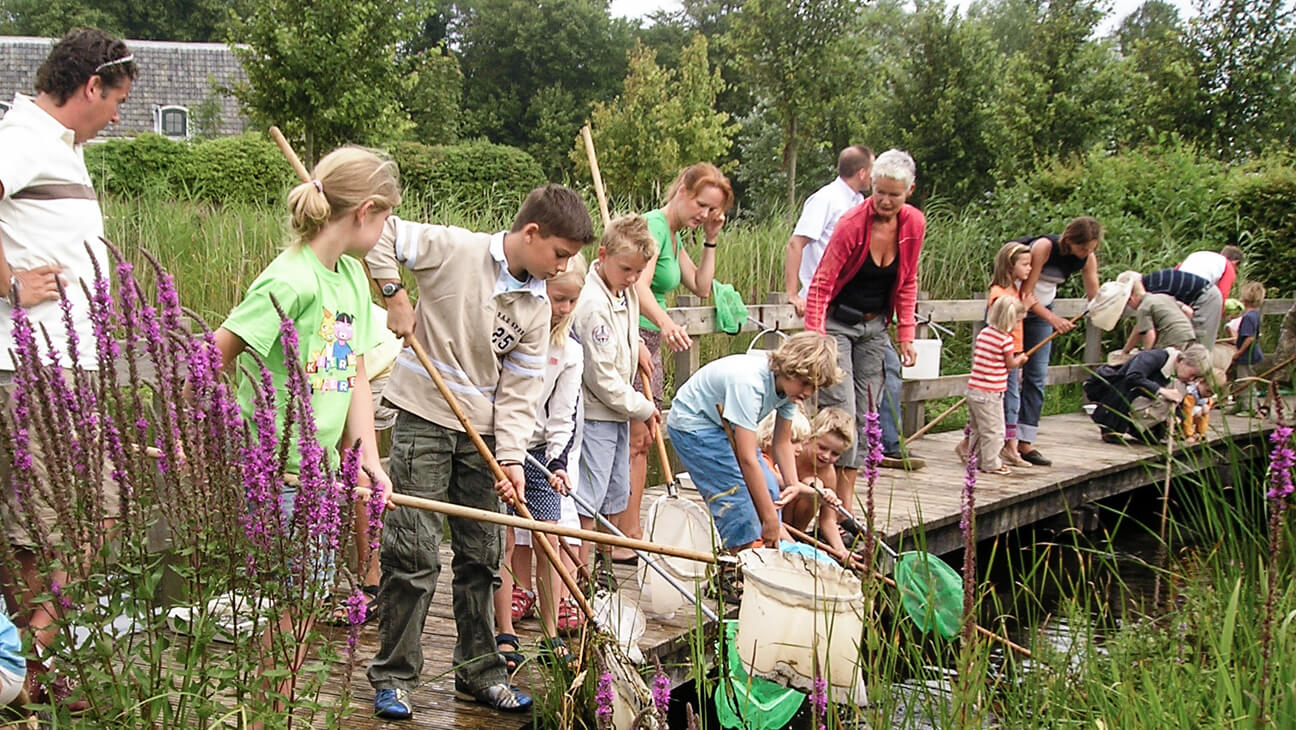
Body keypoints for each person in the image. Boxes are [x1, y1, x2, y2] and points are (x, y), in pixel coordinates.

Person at [364, 185, 594, 720]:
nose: (562, 268)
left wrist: (511, 458)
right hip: (424, 414)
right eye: (559, 254)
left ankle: (480, 670)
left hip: (483, 437)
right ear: (532, 234)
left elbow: (519, 394)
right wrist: (395, 293)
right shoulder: (455, 248)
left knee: (482, 554)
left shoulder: (537, 307)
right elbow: (380, 233)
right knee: (414, 552)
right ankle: (395, 677)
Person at [214, 146, 399, 716]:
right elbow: (216, 351)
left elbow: (356, 372)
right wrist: (198, 427)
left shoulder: (348, 276)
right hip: (274, 474)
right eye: (388, 216)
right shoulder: (289, 278)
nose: (387, 228)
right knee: (285, 608)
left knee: (304, 604)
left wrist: (368, 456)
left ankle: (278, 710)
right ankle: (270, 711)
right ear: (366, 211)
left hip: (317, 475)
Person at [0, 28, 136, 711]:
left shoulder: (59, 149)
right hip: (35, 372)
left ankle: (27, 663)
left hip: (68, 369)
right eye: (117, 101)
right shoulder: (21, 137)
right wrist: (8, 285)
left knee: (78, 518)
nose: (118, 116)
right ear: (90, 88)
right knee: (52, 525)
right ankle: (26, 670)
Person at [780, 146, 919, 471]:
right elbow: (822, 282)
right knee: (841, 406)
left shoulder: (914, 224)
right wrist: (816, 338)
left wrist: (907, 334)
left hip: (875, 326)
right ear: (871, 183)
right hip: (838, 322)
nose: (885, 201)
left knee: (869, 409)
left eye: (894, 196)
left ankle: (851, 498)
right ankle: (828, 502)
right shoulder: (853, 222)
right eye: (880, 192)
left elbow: (908, 280)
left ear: (909, 192)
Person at [621, 163, 733, 561]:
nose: (703, 215)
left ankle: (626, 528)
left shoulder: (673, 235)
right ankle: (626, 535)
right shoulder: (652, 226)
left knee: (643, 437)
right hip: (634, 337)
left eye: (711, 211)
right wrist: (665, 321)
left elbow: (702, 286)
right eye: (701, 205)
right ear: (682, 190)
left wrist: (712, 239)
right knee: (637, 439)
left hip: (651, 340)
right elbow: (637, 285)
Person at [666, 331, 843, 551]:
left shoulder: (789, 389)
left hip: (722, 422)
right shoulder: (750, 384)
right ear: (789, 369)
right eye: (805, 383)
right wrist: (769, 520)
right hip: (694, 425)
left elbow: (782, 442)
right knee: (737, 501)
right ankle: (737, 563)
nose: (808, 392)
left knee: (769, 489)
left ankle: (767, 552)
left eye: (814, 387)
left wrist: (793, 483)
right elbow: (747, 458)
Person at [492, 254, 585, 673]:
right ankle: (504, 631)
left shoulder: (570, 352)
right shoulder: (509, 328)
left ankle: (549, 633)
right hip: (501, 447)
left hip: (540, 456)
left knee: (546, 541)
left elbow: (564, 414)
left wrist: (558, 462)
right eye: (557, 297)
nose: (562, 309)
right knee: (505, 540)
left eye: (571, 301)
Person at [572, 216, 660, 573]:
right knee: (588, 500)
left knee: (615, 494)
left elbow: (623, 329)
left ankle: (604, 568)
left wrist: (635, 341)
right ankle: (580, 575)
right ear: (603, 254)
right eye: (626, 269)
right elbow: (602, 377)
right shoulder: (592, 303)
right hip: (596, 415)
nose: (633, 278)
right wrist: (642, 406)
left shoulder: (624, 291)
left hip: (618, 413)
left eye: (639, 272)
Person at [1015, 217, 1103, 466]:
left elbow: (1093, 294)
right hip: (1018, 309)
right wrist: (1054, 319)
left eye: (1091, 249)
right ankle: (1003, 437)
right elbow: (1026, 293)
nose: (1086, 253)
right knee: (1009, 375)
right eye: (1083, 248)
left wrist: (1108, 304)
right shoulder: (1044, 247)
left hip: (1045, 308)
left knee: (1036, 375)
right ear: (1070, 240)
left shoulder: (1088, 258)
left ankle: (1026, 441)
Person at [784, 145, 873, 317]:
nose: (874, 177)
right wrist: (793, 295)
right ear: (862, 173)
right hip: (821, 299)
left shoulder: (860, 202)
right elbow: (795, 244)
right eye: (872, 170)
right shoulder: (826, 199)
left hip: (848, 300)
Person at [1083, 344, 1210, 444]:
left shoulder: (1177, 376)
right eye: (1192, 374)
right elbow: (1133, 377)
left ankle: (1147, 430)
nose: (1191, 380)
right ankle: (1128, 426)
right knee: (1169, 394)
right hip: (1118, 402)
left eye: (1196, 378)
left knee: (1179, 392)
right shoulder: (1153, 357)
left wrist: (1177, 417)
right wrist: (1162, 391)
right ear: (1182, 360)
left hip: (1138, 404)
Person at [957, 296, 1028, 475]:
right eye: (1018, 321)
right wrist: (1021, 360)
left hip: (974, 390)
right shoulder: (1005, 340)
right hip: (990, 392)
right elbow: (1010, 364)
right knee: (994, 430)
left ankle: (975, 458)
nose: (1019, 325)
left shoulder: (984, 334)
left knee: (977, 429)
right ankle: (991, 463)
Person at [985, 241, 1035, 467]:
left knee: (1009, 398)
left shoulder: (1015, 289)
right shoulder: (998, 292)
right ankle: (1010, 447)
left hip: (1015, 350)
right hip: (1003, 355)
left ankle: (1007, 445)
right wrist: (1022, 307)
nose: (1029, 269)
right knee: (1005, 399)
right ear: (1009, 265)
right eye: (1025, 264)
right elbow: (1000, 320)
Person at [780, 407, 854, 551]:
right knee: (811, 485)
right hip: (777, 515)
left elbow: (828, 520)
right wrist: (807, 486)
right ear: (810, 438)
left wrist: (841, 550)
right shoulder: (793, 454)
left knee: (817, 488)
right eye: (822, 447)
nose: (826, 456)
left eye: (835, 454)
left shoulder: (828, 473)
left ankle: (797, 535)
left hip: (795, 527)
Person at [1177, 246, 1244, 349]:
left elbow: (1178, 268)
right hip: (1196, 289)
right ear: (1236, 262)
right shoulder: (1228, 266)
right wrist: (1218, 318)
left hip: (1177, 285)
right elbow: (1222, 294)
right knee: (1203, 334)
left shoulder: (1203, 256)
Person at [1117, 271, 1197, 354]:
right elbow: (1188, 311)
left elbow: (1150, 334)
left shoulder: (1143, 308)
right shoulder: (1163, 296)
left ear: (1132, 298)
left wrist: (1145, 354)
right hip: (1190, 335)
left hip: (1172, 340)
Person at [1228, 281, 1266, 415]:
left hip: (1247, 355)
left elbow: (1249, 338)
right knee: (1239, 379)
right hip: (1251, 353)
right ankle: (1240, 403)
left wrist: (1238, 353)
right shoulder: (1255, 314)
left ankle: (1249, 408)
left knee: (1245, 381)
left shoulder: (1248, 317)